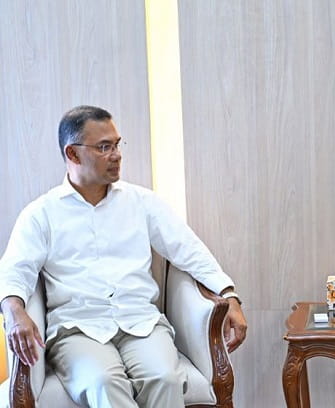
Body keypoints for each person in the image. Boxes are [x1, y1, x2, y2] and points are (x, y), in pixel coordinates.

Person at [0, 105, 248, 408]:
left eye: (117, 145)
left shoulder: (142, 202)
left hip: (141, 322)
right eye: (104, 147)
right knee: (104, 383)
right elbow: (15, 269)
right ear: (73, 154)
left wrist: (228, 295)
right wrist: (14, 312)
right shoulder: (41, 213)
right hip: (77, 330)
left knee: (166, 379)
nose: (116, 155)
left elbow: (189, 250)